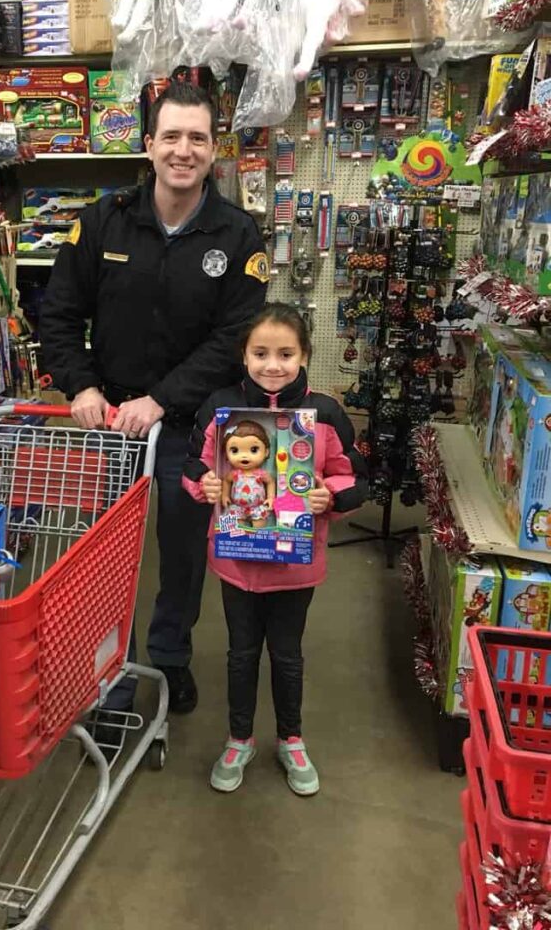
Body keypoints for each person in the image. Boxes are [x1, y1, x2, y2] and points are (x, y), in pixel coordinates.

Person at [40, 80, 269, 717]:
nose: (183, 150)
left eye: (198, 138)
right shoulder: (103, 220)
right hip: (111, 420)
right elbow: (57, 314)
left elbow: (234, 341)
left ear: (214, 149)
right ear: (149, 145)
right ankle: (113, 670)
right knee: (108, 556)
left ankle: (169, 657)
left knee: (182, 551)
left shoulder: (239, 236)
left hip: (191, 427)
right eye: (171, 136)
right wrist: (81, 385)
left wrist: (163, 400)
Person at [183, 303, 368, 793]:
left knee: (287, 654)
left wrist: (331, 496)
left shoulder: (324, 413)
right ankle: (239, 737)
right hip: (235, 559)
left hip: (295, 566)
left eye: (286, 353)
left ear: (304, 354)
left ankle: (291, 738)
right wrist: (205, 485)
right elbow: (191, 467)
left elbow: (354, 476)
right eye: (261, 352)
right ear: (243, 355)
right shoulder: (219, 408)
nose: (273, 365)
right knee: (241, 653)